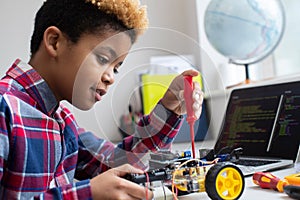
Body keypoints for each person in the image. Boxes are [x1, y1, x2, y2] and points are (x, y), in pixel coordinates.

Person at [0, 0, 203, 199]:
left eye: (116, 68)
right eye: (103, 59)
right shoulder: (5, 107)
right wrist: (87, 195)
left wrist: (169, 108)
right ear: (55, 41)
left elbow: (121, 163)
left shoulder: (64, 122)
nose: (110, 77)